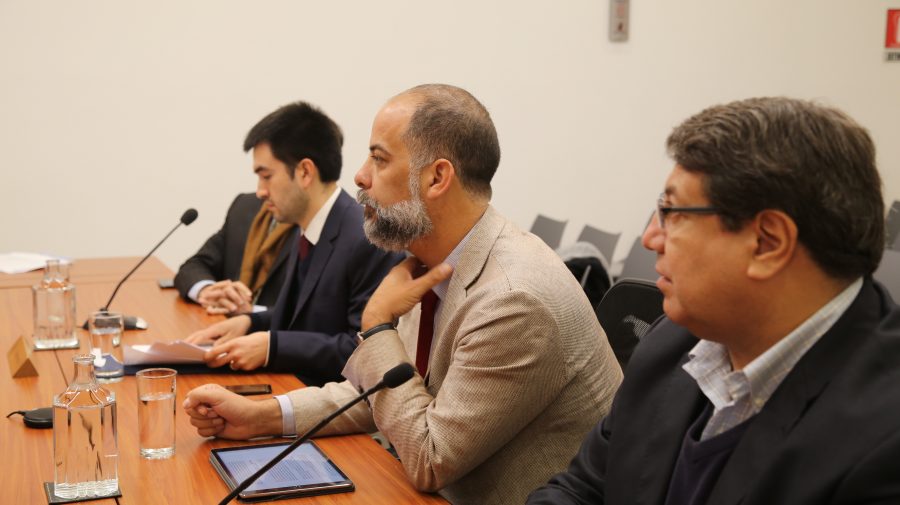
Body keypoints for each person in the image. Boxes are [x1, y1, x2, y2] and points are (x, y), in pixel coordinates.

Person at [183, 84, 623, 504]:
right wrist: (258, 416)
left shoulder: (514, 300)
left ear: (437, 178)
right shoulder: (433, 260)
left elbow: (430, 457)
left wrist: (377, 327)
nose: (359, 176)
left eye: (379, 159)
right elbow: (380, 392)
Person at [527, 97, 900, 505]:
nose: (651, 237)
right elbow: (580, 490)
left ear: (767, 242)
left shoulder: (883, 442)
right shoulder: (672, 342)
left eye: (672, 212)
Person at [185, 101, 403, 385]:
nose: (260, 192)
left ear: (305, 172)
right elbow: (306, 317)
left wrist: (272, 346)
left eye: (266, 176)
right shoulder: (307, 226)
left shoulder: (365, 238)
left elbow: (363, 347)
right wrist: (250, 322)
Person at [174, 192, 295, 314]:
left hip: (271, 325)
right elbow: (195, 265)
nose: (260, 191)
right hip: (221, 319)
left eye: (268, 180)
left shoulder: (306, 228)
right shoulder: (246, 205)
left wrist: (252, 312)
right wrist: (209, 291)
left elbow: (304, 316)